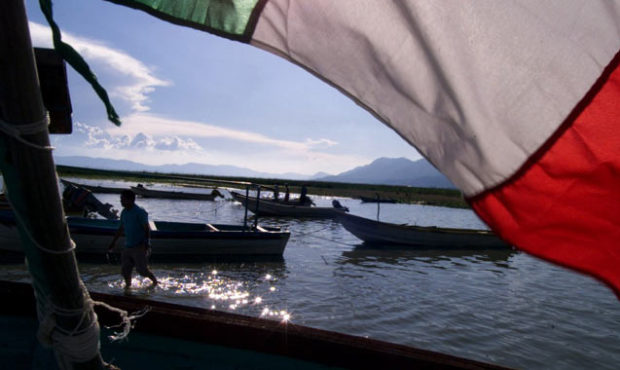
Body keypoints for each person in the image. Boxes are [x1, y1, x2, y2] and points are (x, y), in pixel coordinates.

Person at [108, 189, 158, 289]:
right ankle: (128, 288)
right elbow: (121, 228)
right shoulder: (124, 212)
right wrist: (113, 242)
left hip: (139, 246)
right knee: (125, 271)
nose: (121, 201)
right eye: (121, 199)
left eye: (123, 199)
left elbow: (146, 229)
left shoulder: (139, 212)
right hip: (128, 246)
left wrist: (147, 243)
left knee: (142, 270)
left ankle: (155, 282)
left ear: (131, 200)